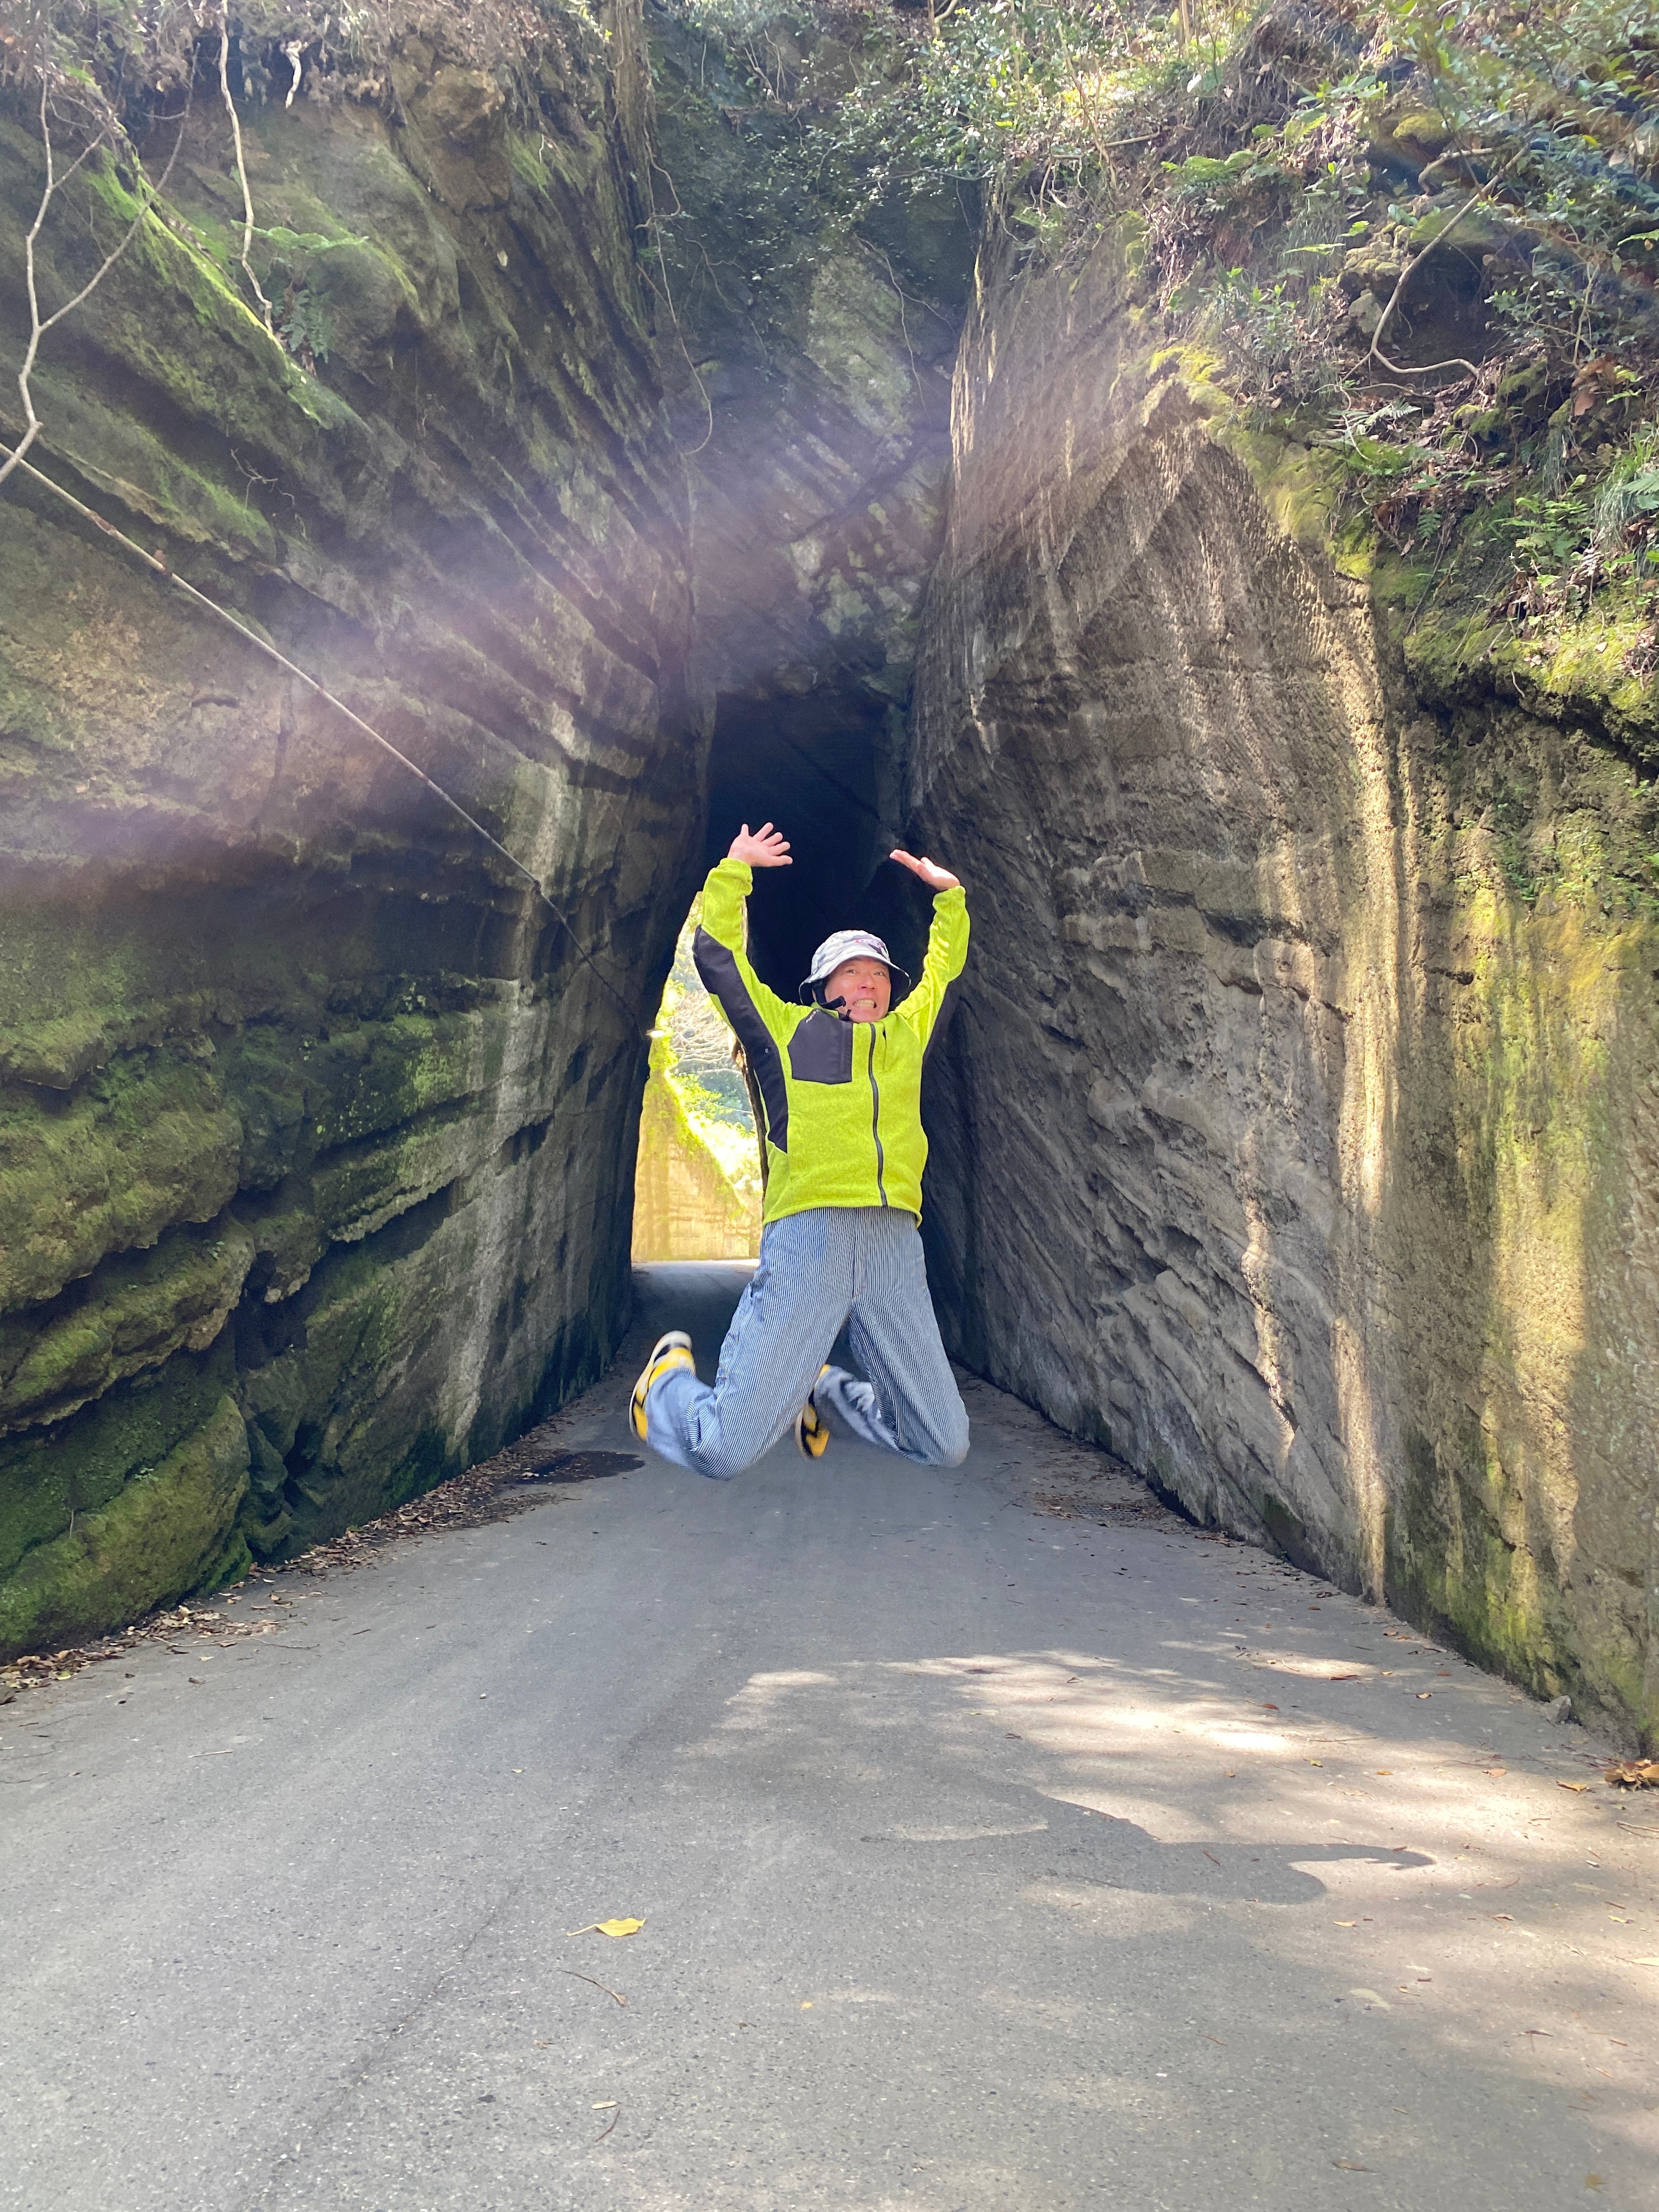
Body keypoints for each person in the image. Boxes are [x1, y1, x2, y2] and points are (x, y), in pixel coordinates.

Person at [629, 821, 971, 1476]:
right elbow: (719, 958)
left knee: (944, 1443)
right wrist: (735, 870)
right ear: (820, 991)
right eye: (851, 975)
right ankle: (667, 1386)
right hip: (808, 1240)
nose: (868, 984)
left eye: (878, 975)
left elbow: (944, 971)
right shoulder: (787, 1034)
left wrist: (949, 898)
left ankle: (833, 1393)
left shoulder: (908, 1038)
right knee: (723, 1451)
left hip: (895, 1245)